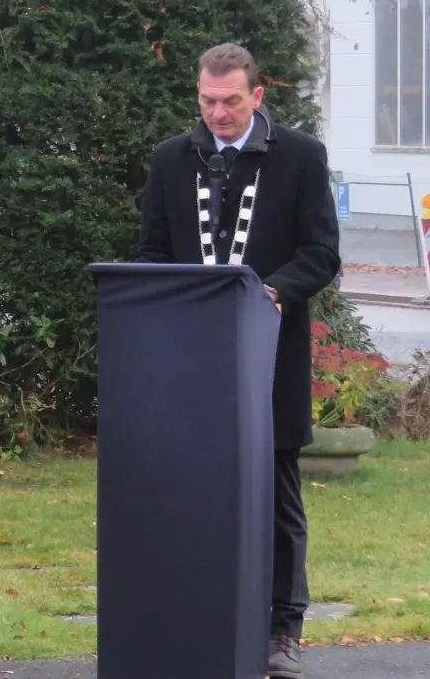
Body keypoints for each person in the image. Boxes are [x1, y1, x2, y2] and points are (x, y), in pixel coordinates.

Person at [134, 43, 340, 679]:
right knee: (188, 487)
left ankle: (283, 629)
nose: (217, 112)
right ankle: (195, 615)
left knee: (276, 491)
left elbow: (320, 252)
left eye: (229, 101)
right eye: (206, 100)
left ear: (257, 96)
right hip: (189, 360)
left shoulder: (300, 156)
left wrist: (270, 291)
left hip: (270, 354)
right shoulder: (173, 158)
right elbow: (152, 249)